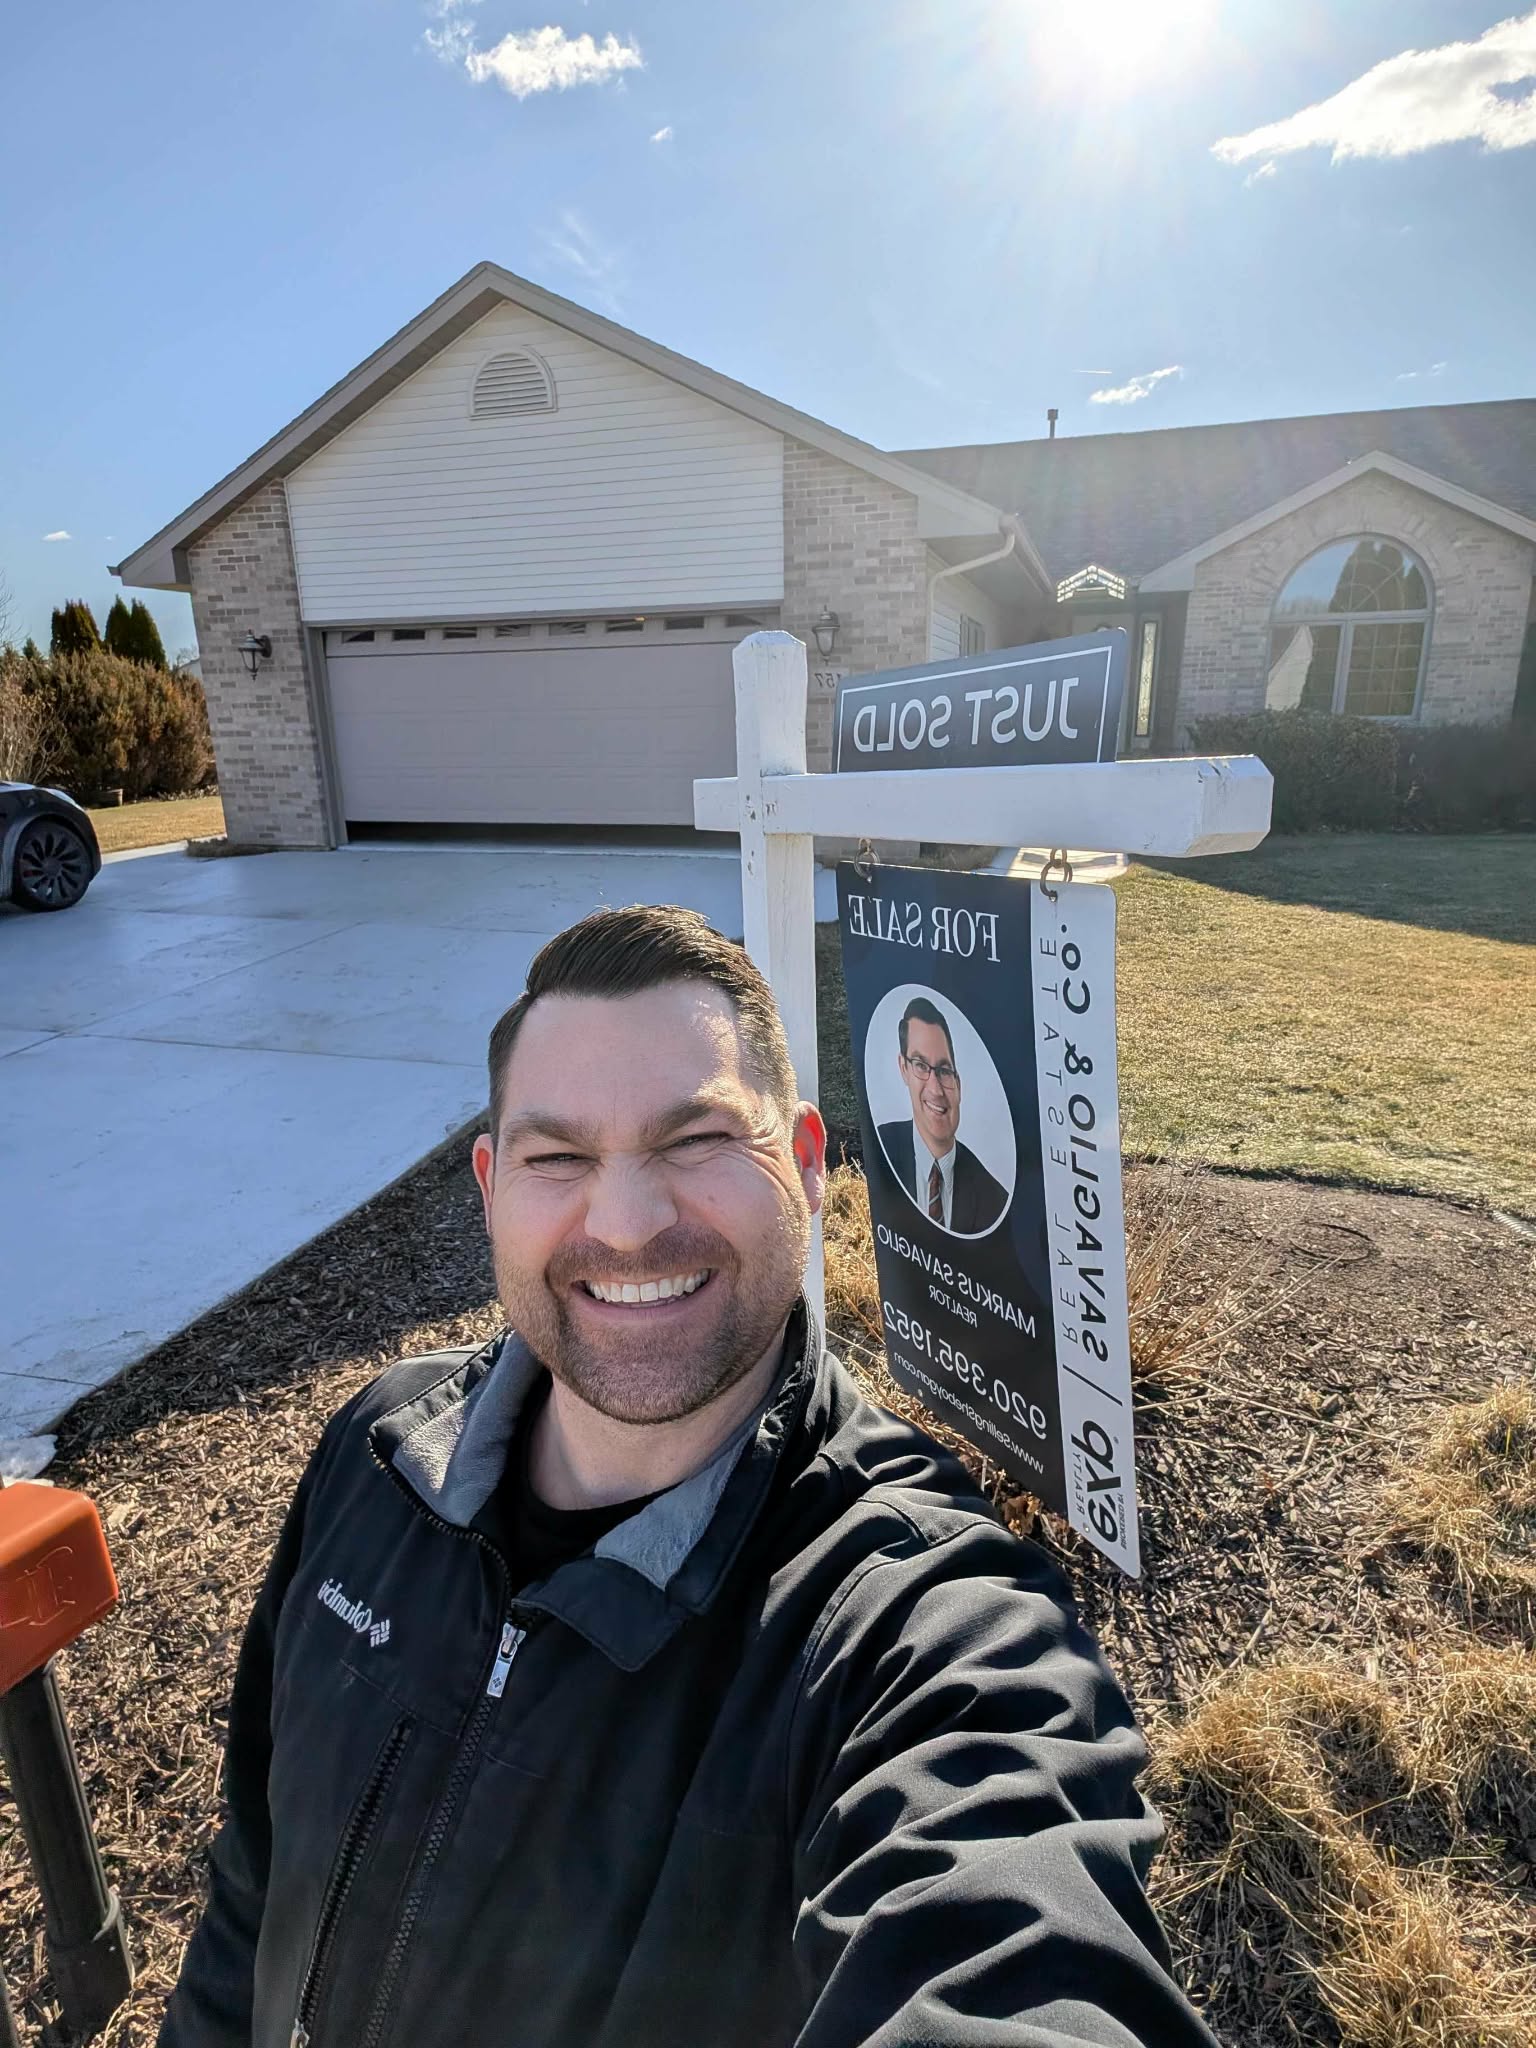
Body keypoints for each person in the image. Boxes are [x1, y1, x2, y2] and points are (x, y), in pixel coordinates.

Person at [158, 904, 1214, 2048]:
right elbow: (252, 1887)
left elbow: (1014, 1926)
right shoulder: (374, 1455)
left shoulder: (910, 1629)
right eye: (556, 1156)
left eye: (697, 1139)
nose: (625, 1222)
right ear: (490, 1185)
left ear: (808, 1165)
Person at [878, 994, 1010, 1234]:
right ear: (903, 1068)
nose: (935, 1089)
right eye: (920, 1065)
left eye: (944, 1071)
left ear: (959, 1086)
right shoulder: (881, 1148)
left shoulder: (994, 1199)